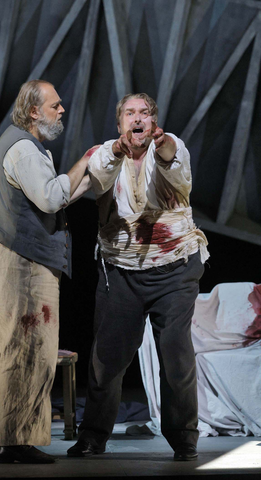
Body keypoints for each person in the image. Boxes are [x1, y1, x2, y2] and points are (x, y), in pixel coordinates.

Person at [67, 92, 209, 461]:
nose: (137, 119)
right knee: (107, 359)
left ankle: (184, 438)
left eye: (144, 113)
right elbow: (96, 173)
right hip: (122, 273)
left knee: (176, 355)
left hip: (175, 270)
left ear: (153, 121)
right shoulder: (105, 154)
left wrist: (161, 143)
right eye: (129, 113)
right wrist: (117, 149)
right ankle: (93, 436)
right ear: (120, 123)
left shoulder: (172, 149)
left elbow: (171, 156)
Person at [0, 79, 91, 464]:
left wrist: (87, 179)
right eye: (55, 105)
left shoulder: (21, 143)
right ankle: (18, 441)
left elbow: (56, 197)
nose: (62, 111)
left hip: (11, 257)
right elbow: (50, 198)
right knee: (31, 349)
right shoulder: (25, 149)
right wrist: (86, 162)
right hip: (22, 262)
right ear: (33, 111)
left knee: (9, 347)